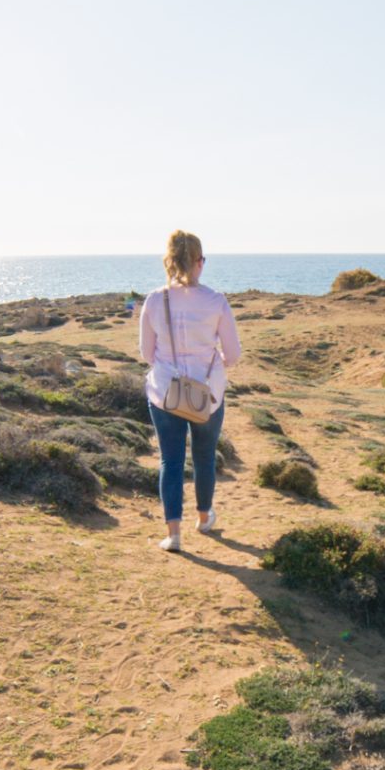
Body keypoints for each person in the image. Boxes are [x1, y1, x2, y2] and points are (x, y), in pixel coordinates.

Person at [138, 230, 242, 552]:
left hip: (166, 392)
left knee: (170, 460)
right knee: (204, 457)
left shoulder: (155, 300)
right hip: (207, 394)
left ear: (169, 262)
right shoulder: (216, 301)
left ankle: (173, 535)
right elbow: (233, 355)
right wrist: (216, 361)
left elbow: (145, 353)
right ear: (199, 262)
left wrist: (171, 361)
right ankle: (203, 517)